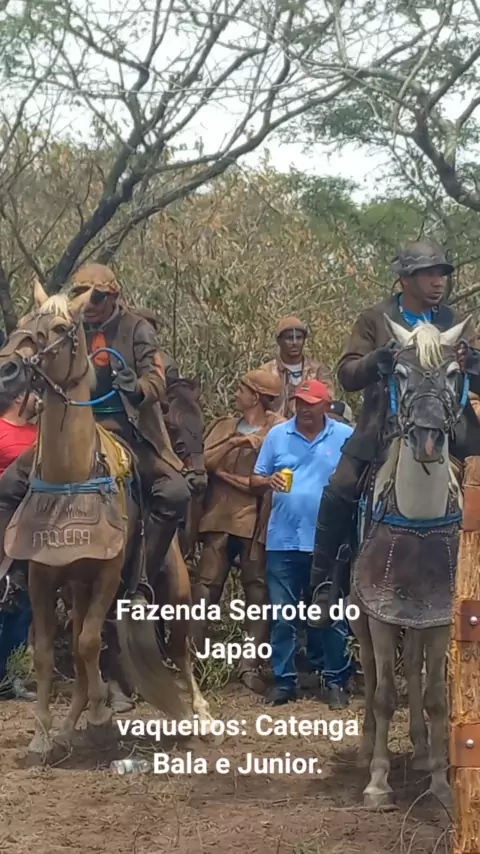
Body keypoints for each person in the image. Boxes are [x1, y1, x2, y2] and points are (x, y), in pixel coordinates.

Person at [0, 263, 191, 581]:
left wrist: (138, 387)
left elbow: (156, 379)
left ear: (114, 296)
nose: (89, 303)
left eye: (97, 297)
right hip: (68, 431)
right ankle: (11, 574)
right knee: (8, 486)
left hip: (125, 430)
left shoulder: (137, 328)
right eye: (82, 295)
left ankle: (141, 578)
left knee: (174, 493)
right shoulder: (66, 325)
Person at [310, 239, 480, 596]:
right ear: (404, 279)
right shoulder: (374, 319)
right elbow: (347, 375)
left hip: (452, 430)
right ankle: (325, 583)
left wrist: (475, 363)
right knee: (341, 486)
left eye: (441, 274)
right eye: (428, 274)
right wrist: (375, 361)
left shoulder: (455, 322)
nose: (438, 281)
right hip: (383, 428)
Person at [251, 379, 354, 708]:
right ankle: (284, 682)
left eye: (311, 403)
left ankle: (335, 681)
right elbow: (255, 478)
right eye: (299, 402)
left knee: (333, 615)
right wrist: (268, 480)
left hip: (329, 544)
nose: (304, 409)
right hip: (283, 541)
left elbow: (364, 479)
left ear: (327, 405)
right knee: (283, 616)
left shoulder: (345, 436)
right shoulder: (278, 435)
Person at [193, 370, 284, 693]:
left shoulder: (278, 429)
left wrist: (225, 476)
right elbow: (204, 462)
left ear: (256, 397)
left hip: (257, 522)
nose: (236, 394)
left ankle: (249, 665)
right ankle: (194, 660)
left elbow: (267, 482)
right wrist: (234, 442)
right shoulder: (223, 426)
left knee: (257, 592)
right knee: (205, 587)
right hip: (218, 518)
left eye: (242, 390)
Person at [0, 383, 38, 701]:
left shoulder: (41, 434)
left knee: (23, 604)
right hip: (2, 519)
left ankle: (9, 677)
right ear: (18, 398)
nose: (39, 398)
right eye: (33, 393)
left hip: (33, 527)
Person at [260, 316, 334, 417]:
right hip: (275, 425)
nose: (295, 343)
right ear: (279, 341)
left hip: (311, 423)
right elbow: (258, 408)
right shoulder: (266, 372)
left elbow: (328, 401)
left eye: (299, 338)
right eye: (289, 338)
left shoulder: (318, 371)